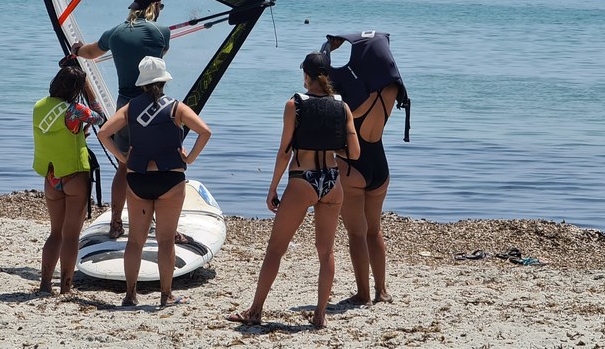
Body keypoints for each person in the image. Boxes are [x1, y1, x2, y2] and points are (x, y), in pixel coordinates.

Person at [227, 53, 359, 329]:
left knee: (275, 250)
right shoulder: (342, 107)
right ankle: (320, 315)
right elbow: (354, 153)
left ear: (306, 76)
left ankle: (255, 311)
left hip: (302, 180)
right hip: (332, 182)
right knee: (326, 252)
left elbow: (284, 151)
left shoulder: (294, 104)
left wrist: (273, 187)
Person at [97, 56, 212, 307]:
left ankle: (130, 295)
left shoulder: (129, 108)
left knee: (135, 241)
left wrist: (122, 157)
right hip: (170, 180)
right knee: (166, 240)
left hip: (138, 180)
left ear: (142, 83)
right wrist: (189, 157)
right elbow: (205, 131)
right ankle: (166, 295)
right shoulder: (177, 108)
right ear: (163, 81)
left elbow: (103, 133)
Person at [72, 0, 170, 240]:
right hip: (153, 107)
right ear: (155, 6)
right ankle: (155, 221)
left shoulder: (115, 33)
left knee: (123, 167)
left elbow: (90, 52)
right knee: (157, 167)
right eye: (160, 5)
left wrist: (76, 50)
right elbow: (159, 60)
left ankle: (116, 222)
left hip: (124, 106)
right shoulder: (162, 32)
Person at [324, 32, 408, 306]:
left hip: (353, 166)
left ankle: (363, 294)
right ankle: (382, 291)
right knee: (375, 230)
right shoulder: (391, 89)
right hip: (380, 164)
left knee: (356, 232)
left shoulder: (356, 96)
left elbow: (325, 86)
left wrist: (327, 49)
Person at [32, 64, 106, 294]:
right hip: (74, 175)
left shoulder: (39, 106)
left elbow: (59, 133)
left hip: (51, 177)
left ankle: (45, 284)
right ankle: (66, 287)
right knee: (71, 235)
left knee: (55, 233)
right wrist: (90, 91)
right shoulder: (75, 110)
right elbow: (101, 117)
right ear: (76, 89)